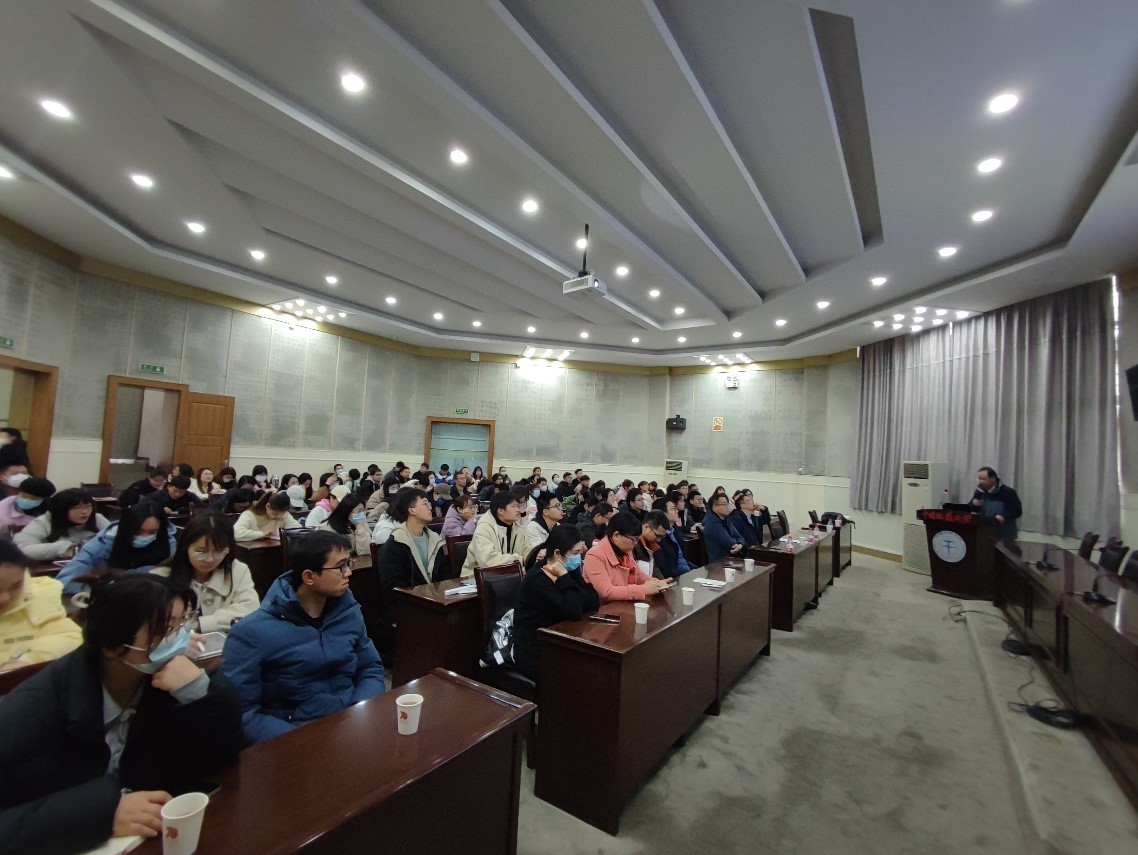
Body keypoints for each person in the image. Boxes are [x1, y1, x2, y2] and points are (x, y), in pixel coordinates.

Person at [0, 574, 243, 854]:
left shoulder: (169, 677)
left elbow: (222, 756)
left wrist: (199, 694)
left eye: (181, 625)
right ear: (112, 647)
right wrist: (101, 814)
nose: (179, 639)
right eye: (165, 630)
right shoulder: (31, 711)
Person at [222, 531, 385, 745]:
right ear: (309, 577)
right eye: (340, 567)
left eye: (348, 563)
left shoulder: (347, 611)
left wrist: (359, 711)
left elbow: (371, 667)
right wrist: (300, 740)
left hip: (350, 722)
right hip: (294, 735)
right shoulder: (251, 633)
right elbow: (243, 712)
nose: (348, 573)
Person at [513, 524, 599, 682]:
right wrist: (564, 578)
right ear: (558, 553)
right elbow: (574, 611)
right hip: (535, 649)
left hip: (559, 638)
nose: (579, 558)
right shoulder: (538, 577)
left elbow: (593, 600)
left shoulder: (568, 569)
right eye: (575, 553)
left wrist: (566, 579)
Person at [151, 513, 259, 634]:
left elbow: (251, 608)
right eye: (201, 552)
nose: (210, 559)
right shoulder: (161, 576)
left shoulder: (237, 570)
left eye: (218, 551)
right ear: (186, 547)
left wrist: (201, 624)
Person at [57, 505, 178, 596]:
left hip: (154, 599)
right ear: (126, 528)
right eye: (138, 531)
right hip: (110, 596)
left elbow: (172, 577)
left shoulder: (168, 542)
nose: (145, 536)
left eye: (152, 532)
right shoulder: (104, 541)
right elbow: (69, 576)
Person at [0, 540, 82, 669]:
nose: (5, 598)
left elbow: (70, 637)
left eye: (16, 586)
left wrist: (27, 659)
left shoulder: (39, 595)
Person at [376, 488, 447, 626]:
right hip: (408, 608)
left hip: (435, 603)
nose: (430, 507)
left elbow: (445, 576)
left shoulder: (435, 540)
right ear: (411, 510)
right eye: (425, 503)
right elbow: (392, 587)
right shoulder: (396, 543)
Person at [583, 511, 671, 602]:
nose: (635, 543)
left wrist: (656, 583)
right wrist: (643, 589)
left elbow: (638, 575)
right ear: (617, 535)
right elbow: (606, 592)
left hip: (623, 603)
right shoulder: (594, 556)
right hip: (604, 607)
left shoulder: (625, 550)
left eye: (637, 539)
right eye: (633, 540)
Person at [14, 488, 110, 560]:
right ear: (61, 510)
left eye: (88, 506)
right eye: (77, 508)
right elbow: (22, 548)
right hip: (53, 571)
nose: (85, 512)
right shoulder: (44, 522)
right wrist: (65, 548)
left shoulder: (97, 519)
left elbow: (115, 540)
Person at [463, 490, 532, 575]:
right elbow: (488, 561)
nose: (518, 510)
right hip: (476, 577)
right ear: (501, 510)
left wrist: (533, 556)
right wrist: (521, 560)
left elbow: (528, 550)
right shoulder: (484, 528)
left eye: (518, 506)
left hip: (509, 575)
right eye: (513, 506)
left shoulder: (518, 528)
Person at [972, 466, 1023, 539]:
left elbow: (1017, 511)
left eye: (983, 479)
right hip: (985, 532)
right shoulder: (979, 490)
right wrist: (974, 504)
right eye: (979, 479)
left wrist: (1003, 516)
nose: (981, 482)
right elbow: (973, 508)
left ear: (993, 478)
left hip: (1005, 535)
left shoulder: (1007, 492)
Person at [316, 492, 371, 557]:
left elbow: (365, 552)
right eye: (358, 511)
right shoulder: (327, 528)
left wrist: (360, 529)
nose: (362, 514)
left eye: (363, 511)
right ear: (347, 511)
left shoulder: (361, 524)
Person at [233, 492, 300, 542]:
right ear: (267, 506)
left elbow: (298, 530)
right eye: (274, 514)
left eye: (281, 514)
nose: (276, 517)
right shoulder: (249, 515)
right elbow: (237, 533)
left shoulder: (284, 515)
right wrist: (263, 534)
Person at [703, 494, 745, 562]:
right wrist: (738, 544)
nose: (727, 507)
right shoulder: (712, 523)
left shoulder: (725, 518)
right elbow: (730, 543)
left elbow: (740, 537)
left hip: (730, 558)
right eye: (724, 504)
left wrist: (740, 544)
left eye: (728, 504)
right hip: (719, 562)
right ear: (715, 507)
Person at [631, 510, 671, 578]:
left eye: (662, 536)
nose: (659, 540)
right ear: (646, 527)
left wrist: (662, 582)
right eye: (657, 535)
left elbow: (654, 569)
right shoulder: (632, 545)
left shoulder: (651, 544)